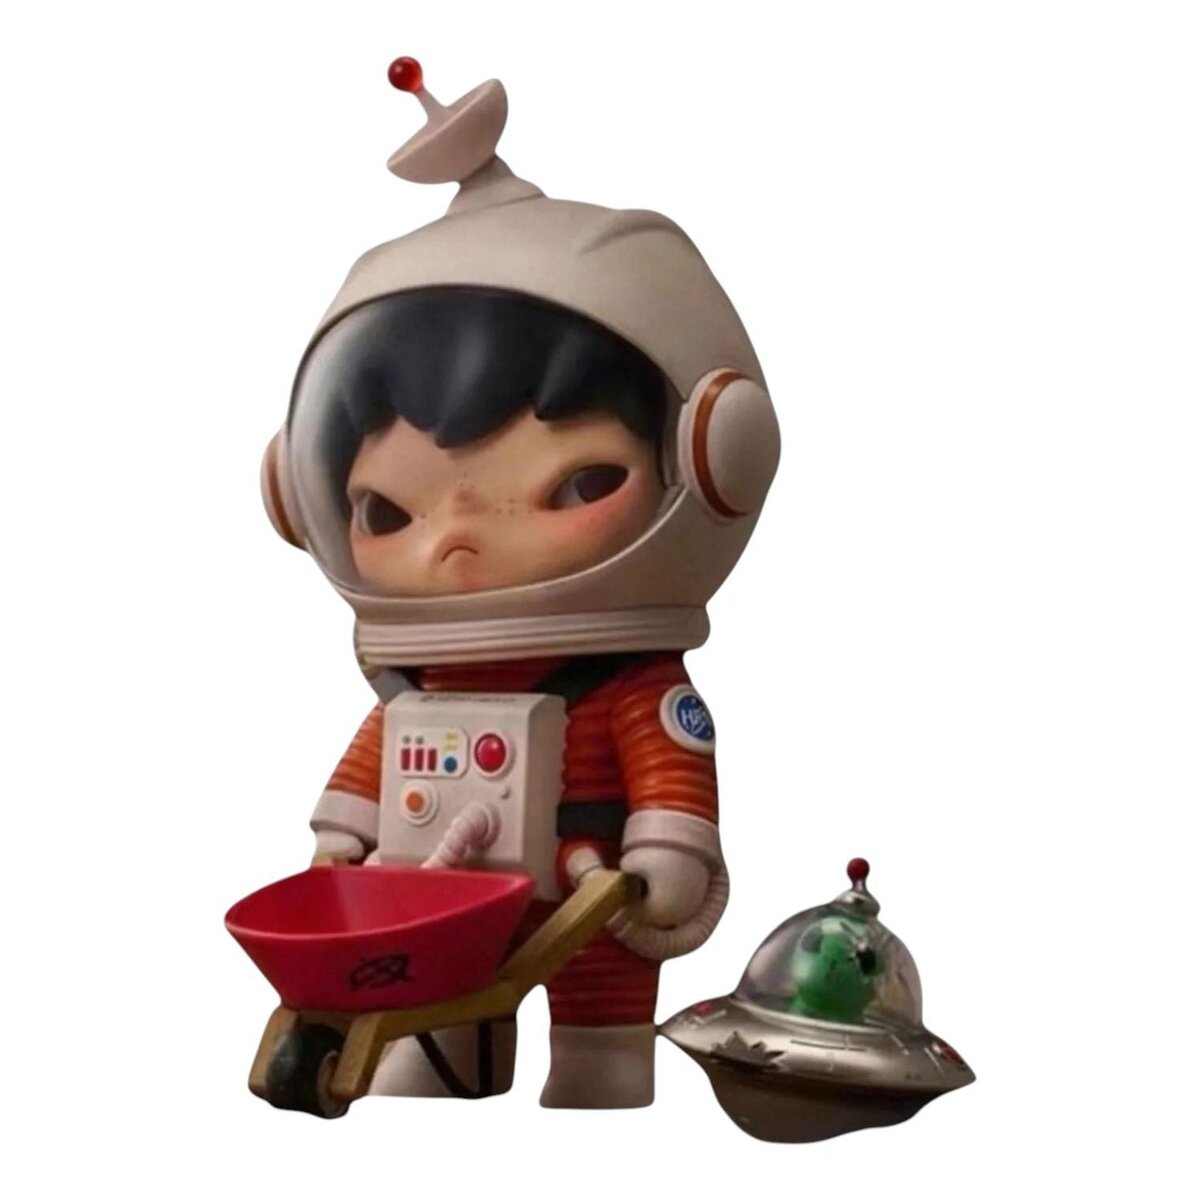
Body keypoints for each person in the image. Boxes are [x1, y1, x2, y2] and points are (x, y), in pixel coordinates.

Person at [259, 58, 780, 1108]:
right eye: (389, 512)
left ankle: (598, 1061)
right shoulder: (420, 689)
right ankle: (451, 1050)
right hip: (435, 907)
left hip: (592, 891)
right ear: (295, 492)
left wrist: (667, 853)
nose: (457, 544)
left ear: (713, 451)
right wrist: (342, 839)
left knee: (598, 1043)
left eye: (572, 485)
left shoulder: (630, 688)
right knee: (437, 1023)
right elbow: (373, 762)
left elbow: (669, 774)